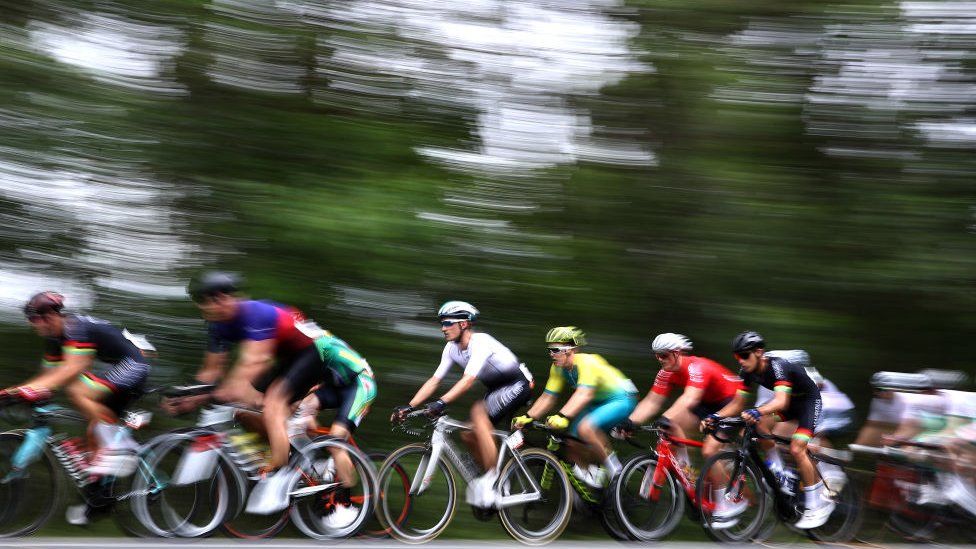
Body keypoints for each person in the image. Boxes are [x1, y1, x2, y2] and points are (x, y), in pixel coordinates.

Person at [186, 272, 376, 526]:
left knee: (333, 438)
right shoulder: (218, 326)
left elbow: (256, 362)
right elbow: (211, 373)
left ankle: (343, 499)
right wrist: (191, 394)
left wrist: (227, 390)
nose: (202, 309)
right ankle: (308, 463)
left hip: (359, 382)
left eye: (204, 302)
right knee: (261, 411)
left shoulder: (257, 314)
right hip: (322, 378)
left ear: (219, 299)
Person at [3, 291, 152, 525]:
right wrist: (14, 392)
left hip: (134, 366)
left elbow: (72, 369)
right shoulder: (54, 339)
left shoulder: (75, 328)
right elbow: (46, 377)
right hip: (119, 370)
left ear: (51, 315)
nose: (32, 325)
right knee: (93, 430)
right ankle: (100, 495)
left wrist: (29, 391)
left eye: (34, 319)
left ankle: (119, 447)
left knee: (77, 390)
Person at [392, 301, 533, 508]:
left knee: (478, 414)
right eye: (442, 323)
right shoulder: (451, 349)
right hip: (497, 389)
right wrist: (409, 406)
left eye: (448, 323)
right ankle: (498, 480)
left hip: (518, 383)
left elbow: (468, 380)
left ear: (464, 324)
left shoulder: (480, 342)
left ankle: (492, 478)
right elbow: (435, 380)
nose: (443, 328)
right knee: (468, 433)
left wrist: (442, 402)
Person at [723, 331, 832, 529]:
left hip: (808, 401)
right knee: (758, 423)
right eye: (737, 356)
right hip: (789, 405)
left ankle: (817, 506)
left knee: (797, 448)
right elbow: (737, 403)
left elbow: (781, 401)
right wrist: (715, 417)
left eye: (745, 355)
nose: (741, 361)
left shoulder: (777, 366)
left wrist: (757, 411)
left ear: (759, 352)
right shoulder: (746, 373)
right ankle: (780, 472)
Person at [512, 326, 637, 488]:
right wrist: (528, 417)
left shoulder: (587, 362)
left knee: (586, 428)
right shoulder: (557, 368)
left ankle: (616, 473)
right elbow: (548, 397)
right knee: (571, 441)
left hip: (620, 398)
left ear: (569, 350)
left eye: (555, 350)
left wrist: (562, 416)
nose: (551, 354)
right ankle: (595, 484)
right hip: (596, 402)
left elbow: (584, 394)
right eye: (549, 350)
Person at [620, 333, 744, 469]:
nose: (660, 359)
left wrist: (666, 417)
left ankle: (722, 488)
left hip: (729, 402)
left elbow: (690, 398)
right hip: (706, 403)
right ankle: (686, 470)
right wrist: (630, 422)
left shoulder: (696, 367)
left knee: (709, 452)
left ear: (677, 353)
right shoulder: (665, 373)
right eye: (657, 355)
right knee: (670, 426)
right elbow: (652, 402)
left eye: (664, 355)